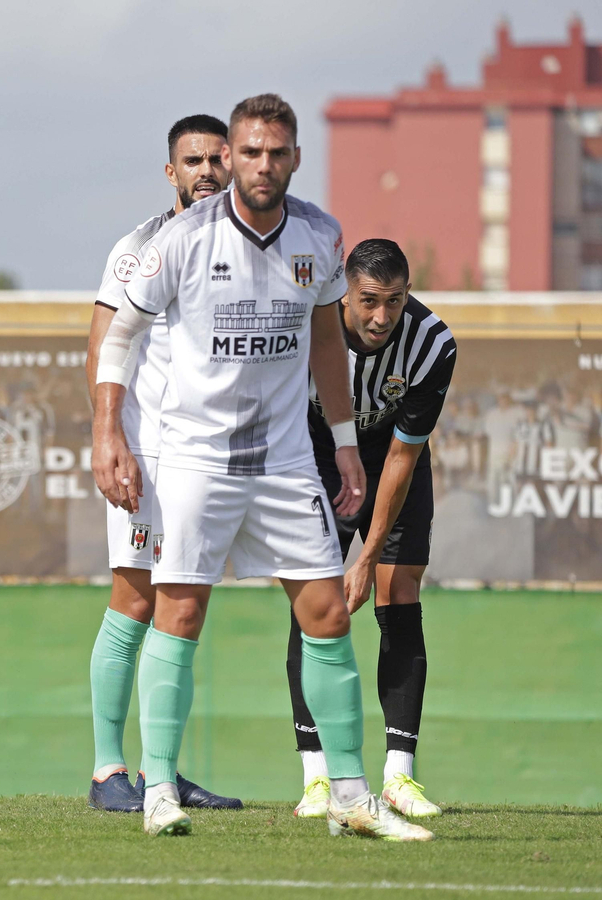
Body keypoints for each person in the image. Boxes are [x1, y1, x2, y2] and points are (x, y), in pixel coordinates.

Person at [92, 94, 433, 841]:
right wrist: (105, 430)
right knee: (178, 614)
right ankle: (157, 791)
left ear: (295, 158)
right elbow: (118, 338)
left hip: (283, 464)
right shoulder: (181, 240)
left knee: (328, 615)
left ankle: (349, 796)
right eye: (249, 152)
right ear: (233, 157)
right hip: (195, 461)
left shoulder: (320, 234)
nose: (261, 165)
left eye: (276, 152)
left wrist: (344, 442)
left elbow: (323, 343)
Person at [83, 113, 240, 813]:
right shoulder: (138, 246)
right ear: (171, 172)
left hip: (208, 458)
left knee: (185, 606)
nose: (206, 171)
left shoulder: (253, 248)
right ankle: (107, 771)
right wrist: (107, 435)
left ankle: (163, 773)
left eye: (216, 159)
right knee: (136, 599)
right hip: (145, 453)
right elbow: (102, 347)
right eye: (192, 160)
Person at [286, 239, 457, 821]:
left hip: (390, 457)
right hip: (317, 448)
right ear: (346, 294)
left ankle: (398, 777)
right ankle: (316, 778)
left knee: (398, 588)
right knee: (315, 602)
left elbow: (404, 459)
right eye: (368, 302)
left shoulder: (433, 345)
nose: (381, 316)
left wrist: (367, 558)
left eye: (394, 301)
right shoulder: (307, 322)